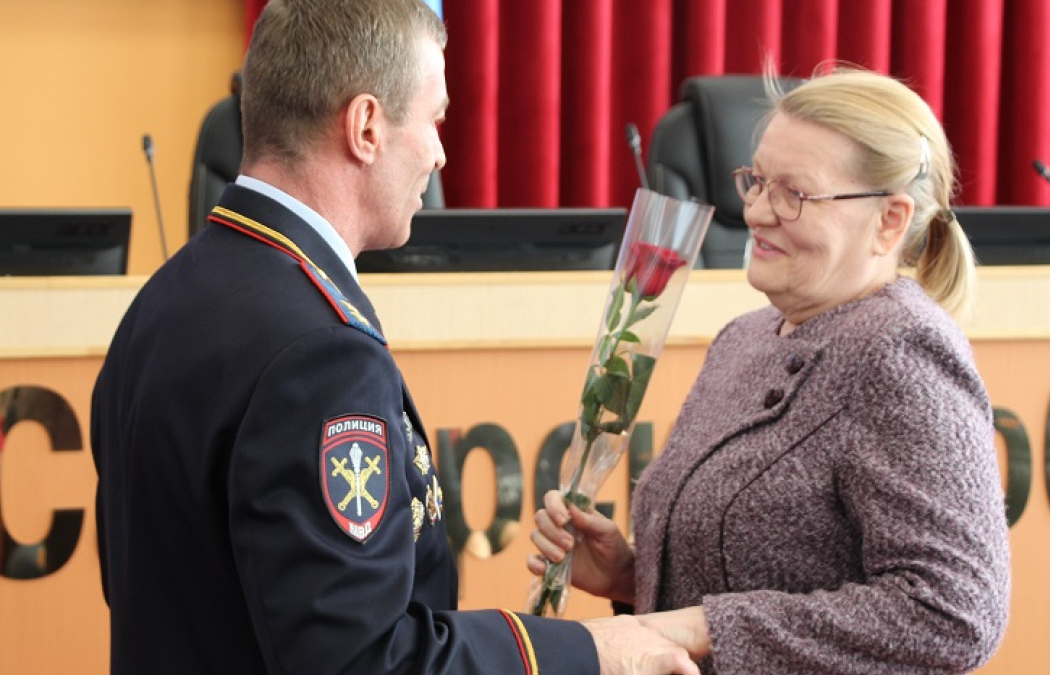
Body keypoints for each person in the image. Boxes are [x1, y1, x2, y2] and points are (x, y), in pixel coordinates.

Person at [90, 1, 699, 674]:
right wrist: (590, 651)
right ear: (367, 126)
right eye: (435, 117)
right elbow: (361, 658)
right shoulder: (319, 354)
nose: (440, 152)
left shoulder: (163, 299)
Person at [529, 66, 1011, 675]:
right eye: (756, 181)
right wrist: (633, 576)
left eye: (794, 193)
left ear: (890, 220)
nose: (755, 212)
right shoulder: (744, 337)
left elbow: (953, 614)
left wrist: (702, 626)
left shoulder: (903, 352)